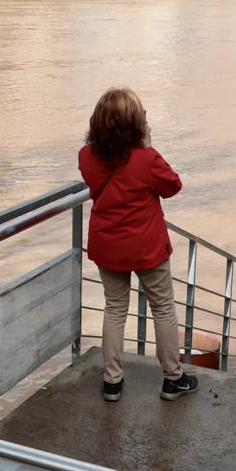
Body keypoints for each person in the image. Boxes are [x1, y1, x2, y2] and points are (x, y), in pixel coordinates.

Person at [78, 87, 198, 403]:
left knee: (114, 308)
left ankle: (112, 381)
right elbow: (173, 186)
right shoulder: (147, 159)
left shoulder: (86, 157)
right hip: (147, 248)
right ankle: (173, 379)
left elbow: (94, 181)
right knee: (162, 308)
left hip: (108, 246)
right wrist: (147, 147)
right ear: (137, 124)